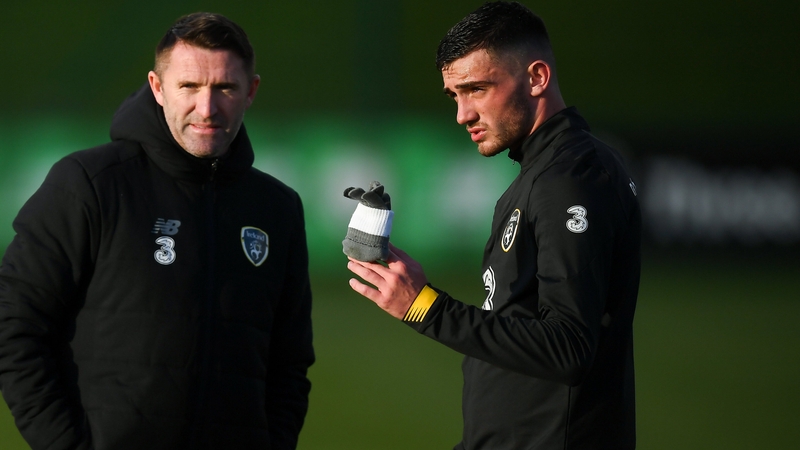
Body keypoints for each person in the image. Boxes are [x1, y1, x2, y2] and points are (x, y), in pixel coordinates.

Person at [0, 12, 314, 450]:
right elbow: (13, 323)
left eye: (225, 87)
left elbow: (290, 362)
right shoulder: (90, 184)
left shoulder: (277, 208)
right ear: (157, 87)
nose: (207, 108)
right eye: (189, 86)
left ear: (251, 92)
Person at [346, 2, 640, 449]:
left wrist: (425, 307)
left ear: (537, 77)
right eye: (455, 95)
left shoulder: (571, 180)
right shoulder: (539, 176)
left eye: (477, 89)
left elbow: (567, 347)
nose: (463, 113)